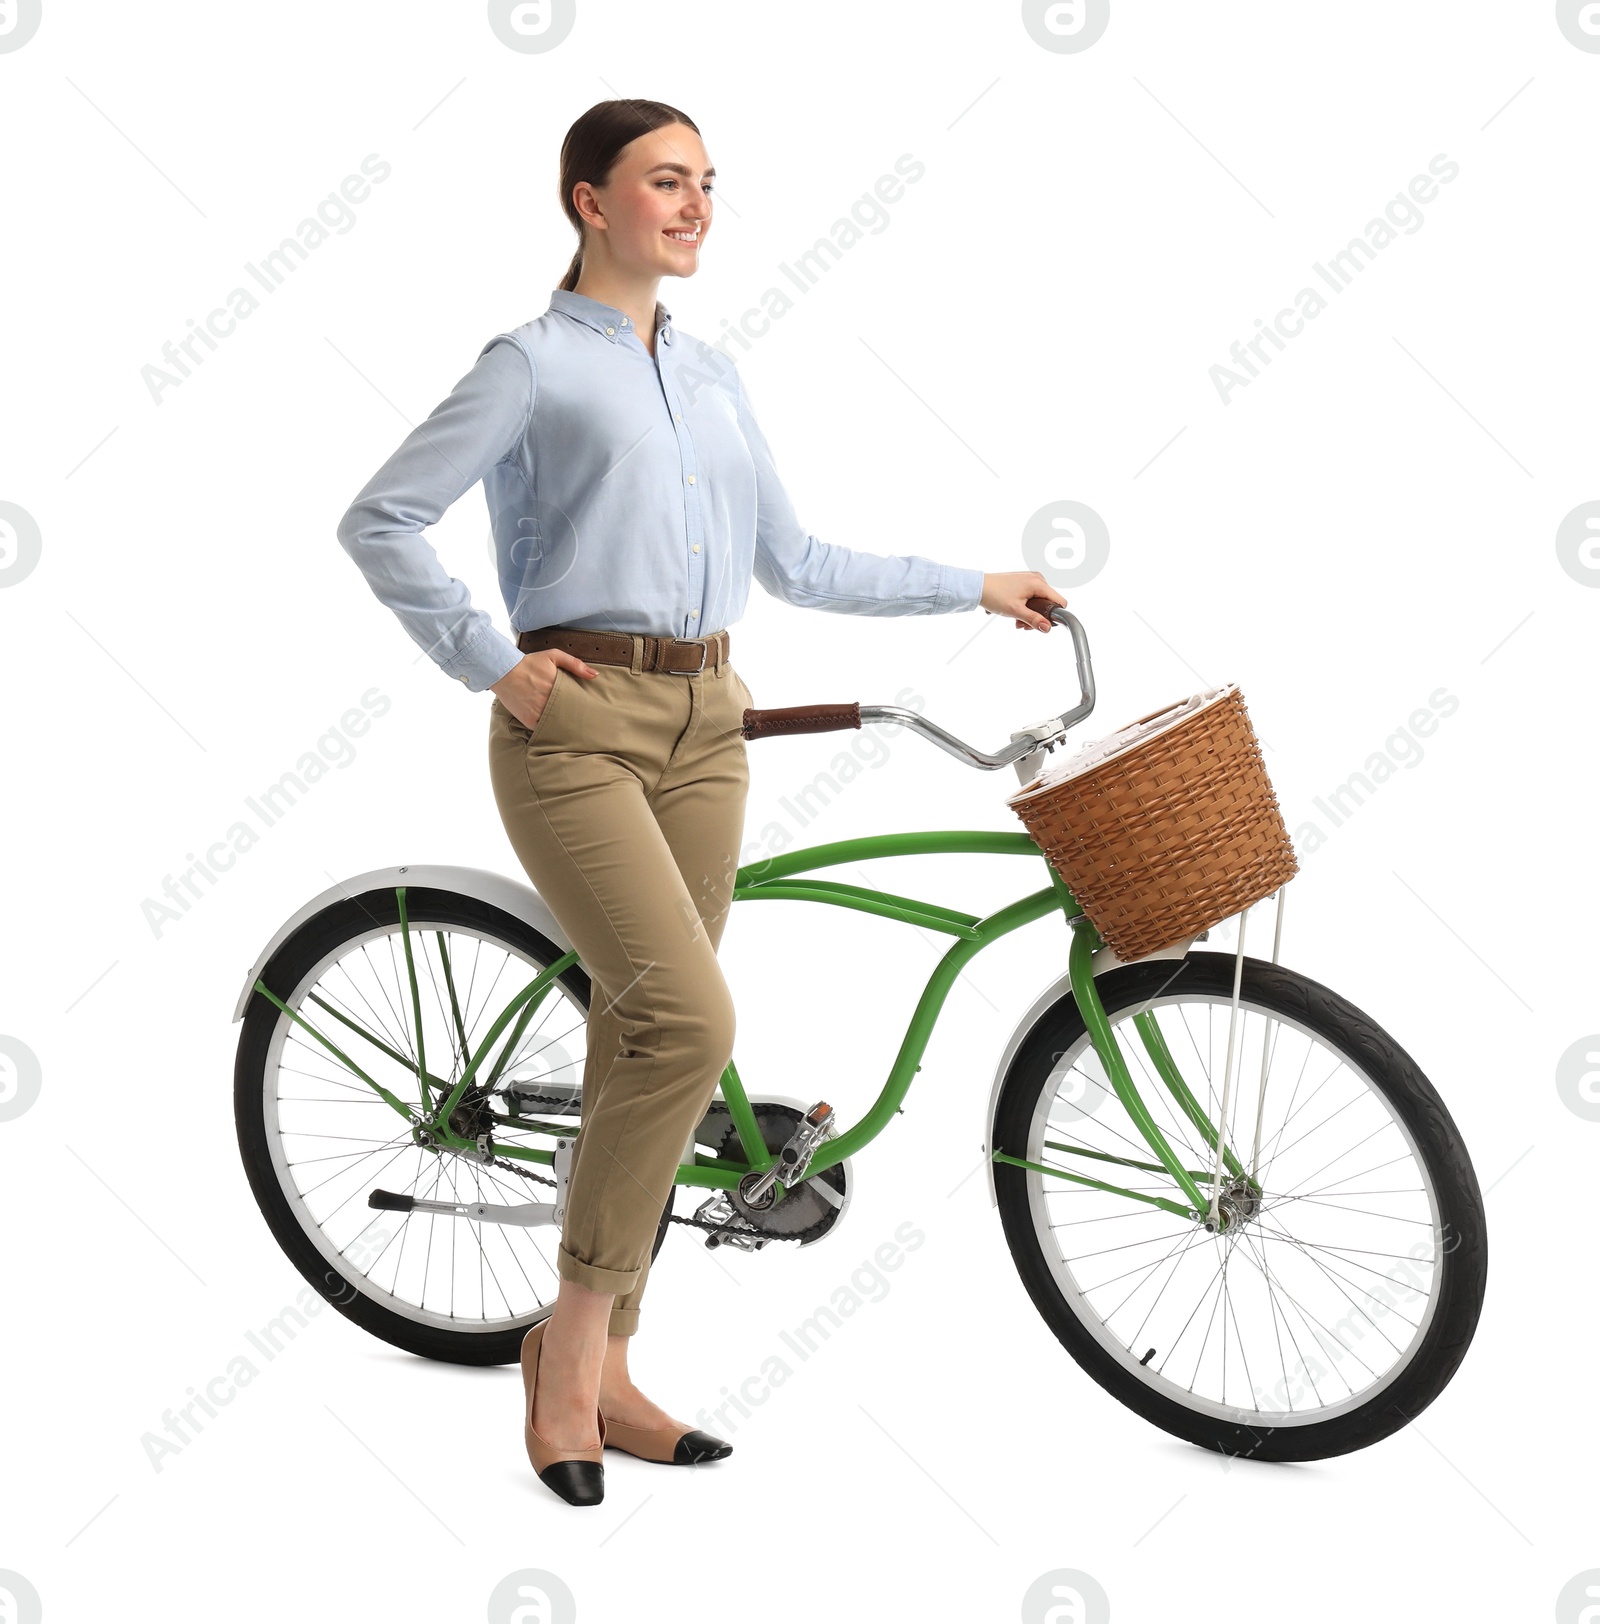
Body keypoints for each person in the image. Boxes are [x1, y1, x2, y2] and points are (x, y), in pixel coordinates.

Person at [335, 97, 1067, 1507]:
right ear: (588, 201)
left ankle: (606, 1368)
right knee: (691, 1020)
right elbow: (380, 518)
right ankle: (565, 1359)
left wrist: (972, 582)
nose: (696, 206)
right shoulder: (532, 365)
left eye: (710, 184)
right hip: (577, 728)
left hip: (712, 723)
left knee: (644, 1042)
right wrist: (494, 663)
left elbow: (793, 558)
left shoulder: (717, 374)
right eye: (666, 181)